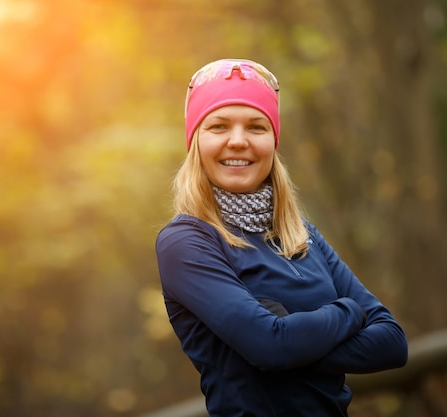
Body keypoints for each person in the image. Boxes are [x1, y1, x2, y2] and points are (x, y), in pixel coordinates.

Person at [155, 58, 408, 417]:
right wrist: (349, 311)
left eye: (256, 127)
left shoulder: (303, 235)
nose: (238, 141)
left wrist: (291, 336)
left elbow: (393, 344)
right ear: (196, 141)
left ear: (273, 141)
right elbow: (270, 347)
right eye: (219, 126)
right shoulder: (186, 242)